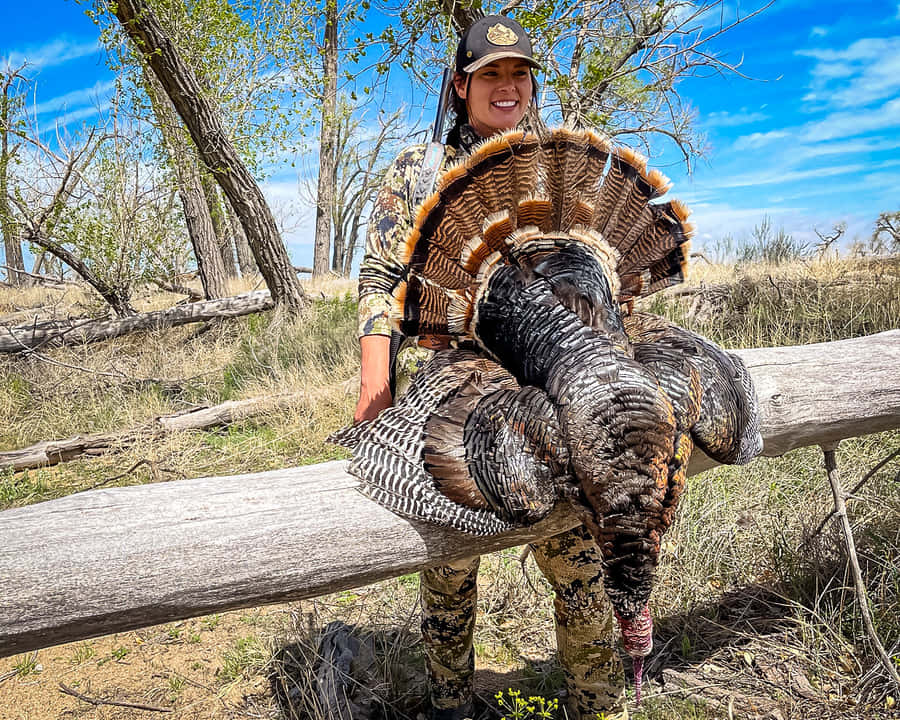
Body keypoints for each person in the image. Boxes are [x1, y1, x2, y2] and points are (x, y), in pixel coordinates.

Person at [355, 15, 629, 720]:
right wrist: (374, 386)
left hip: (549, 389)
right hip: (454, 385)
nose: (507, 87)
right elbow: (379, 283)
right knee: (447, 567)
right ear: (460, 85)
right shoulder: (416, 172)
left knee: (582, 564)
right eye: (490, 75)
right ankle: (451, 704)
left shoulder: (558, 166)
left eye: (519, 74)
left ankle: (593, 705)